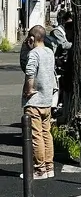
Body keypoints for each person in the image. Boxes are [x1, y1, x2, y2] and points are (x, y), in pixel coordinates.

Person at [22, 25, 56, 180]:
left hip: (34, 102)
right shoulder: (50, 52)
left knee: (36, 137)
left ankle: (39, 170)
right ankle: (49, 168)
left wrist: (29, 91)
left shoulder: (34, 54)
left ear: (32, 38)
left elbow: (30, 73)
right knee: (46, 134)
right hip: (47, 100)